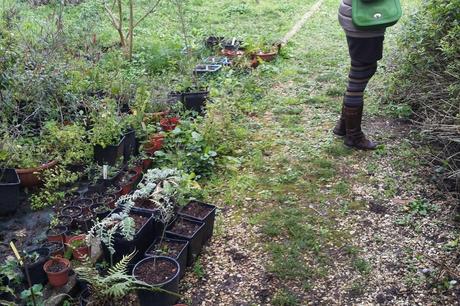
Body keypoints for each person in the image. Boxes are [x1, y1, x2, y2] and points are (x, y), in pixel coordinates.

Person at [334, 0, 386, 150]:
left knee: (359, 72)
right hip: (363, 19)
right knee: (360, 76)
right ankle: (354, 136)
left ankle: (344, 126)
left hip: (357, 15)